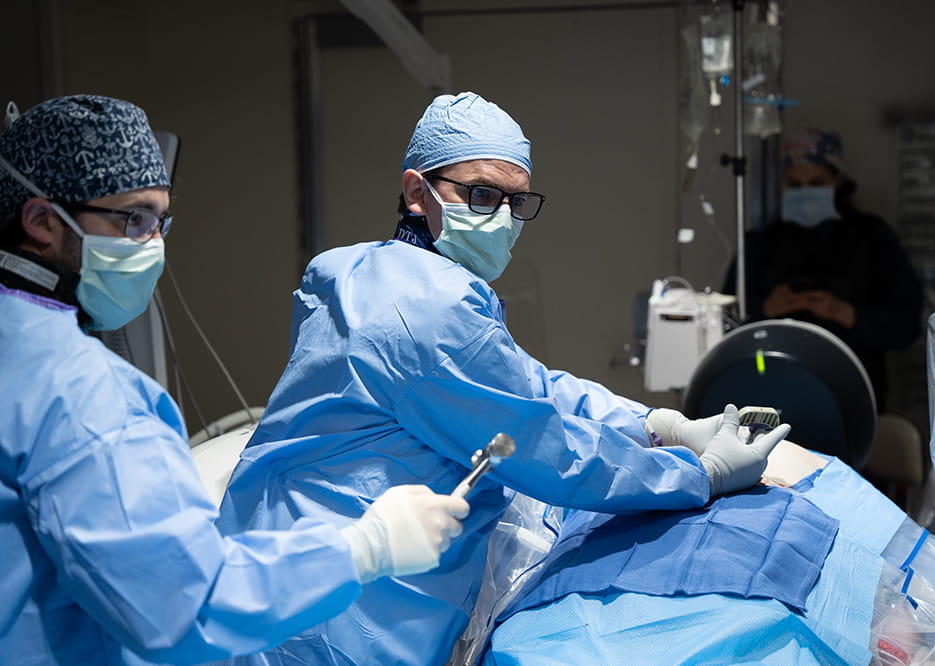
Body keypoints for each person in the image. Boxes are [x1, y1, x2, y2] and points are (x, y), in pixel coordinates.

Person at [216, 91, 791, 665]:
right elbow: (548, 450)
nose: (502, 217)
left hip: (277, 564)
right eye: (482, 194)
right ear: (418, 192)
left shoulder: (365, 270)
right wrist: (700, 475)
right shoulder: (426, 311)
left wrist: (655, 424)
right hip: (338, 622)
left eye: (516, 201)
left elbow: (527, 383)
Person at [0, 94, 469, 665]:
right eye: (134, 220)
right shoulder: (80, 392)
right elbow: (184, 607)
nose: (154, 245)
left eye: (161, 221)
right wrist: (363, 549)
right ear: (42, 222)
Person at [725, 128, 924, 411]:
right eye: (795, 184)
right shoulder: (759, 245)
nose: (806, 193)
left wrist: (844, 313)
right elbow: (723, 327)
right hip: (770, 398)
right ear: (783, 183)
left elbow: (906, 327)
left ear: (839, 180)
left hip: (853, 400)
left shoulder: (873, 238)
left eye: (816, 182)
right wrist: (765, 309)